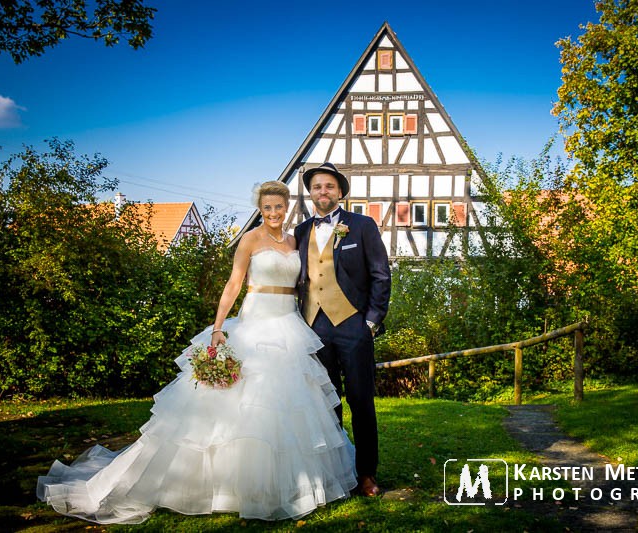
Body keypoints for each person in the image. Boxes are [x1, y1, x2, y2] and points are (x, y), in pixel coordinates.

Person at [37, 181, 357, 524]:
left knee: (289, 403)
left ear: (287, 207)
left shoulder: (295, 240)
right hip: (255, 322)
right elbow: (234, 283)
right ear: (260, 209)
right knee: (234, 405)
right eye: (267, 208)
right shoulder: (250, 239)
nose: (274, 214)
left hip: (288, 325)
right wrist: (219, 327)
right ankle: (218, 485)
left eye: (279, 207)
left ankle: (288, 483)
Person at [294, 162, 391, 498]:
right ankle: (334, 472)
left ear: (339, 192)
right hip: (313, 327)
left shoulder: (362, 226)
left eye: (329, 186)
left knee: (361, 401)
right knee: (324, 403)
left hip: (353, 325)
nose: (323, 192)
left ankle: (366, 474)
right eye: (317, 186)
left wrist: (370, 322)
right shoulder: (302, 231)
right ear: (310, 192)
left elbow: (381, 274)